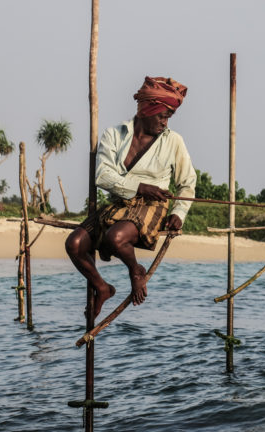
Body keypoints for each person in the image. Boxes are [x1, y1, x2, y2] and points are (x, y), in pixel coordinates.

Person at [65, 76, 196, 317]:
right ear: (147, 110)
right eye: (162, 116)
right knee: (74, 244)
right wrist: (139, 187)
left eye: (169, 117)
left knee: (115, 239)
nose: (165, 123)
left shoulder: (173, 141)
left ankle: (136, 271)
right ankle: (102, 287)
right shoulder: (114, 135)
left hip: (152, 206)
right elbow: (103, 176)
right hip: (119, 204)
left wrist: (178, 213)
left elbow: (187, 183)